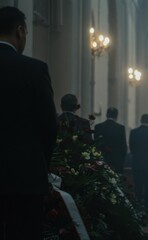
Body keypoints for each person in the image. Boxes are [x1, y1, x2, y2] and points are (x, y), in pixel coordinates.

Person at [0, 6, 57, 239]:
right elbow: (48, 126)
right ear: (21, 30)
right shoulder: (34, 69)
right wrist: (41, 163)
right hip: (24, 177)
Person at [129, 113, 148, 215]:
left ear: (140, 120)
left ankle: (137, 209)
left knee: (138, 188)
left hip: (137, 164)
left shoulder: (134, 132)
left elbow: (132, 149)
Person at [94, 107, 128, 174]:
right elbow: (124, 147)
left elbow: (95, 145)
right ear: (116, 116)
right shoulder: (120, 128)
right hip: (117, 161)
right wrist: (121, 160)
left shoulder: (98, 127)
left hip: (102, 161)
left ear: (106, 115)